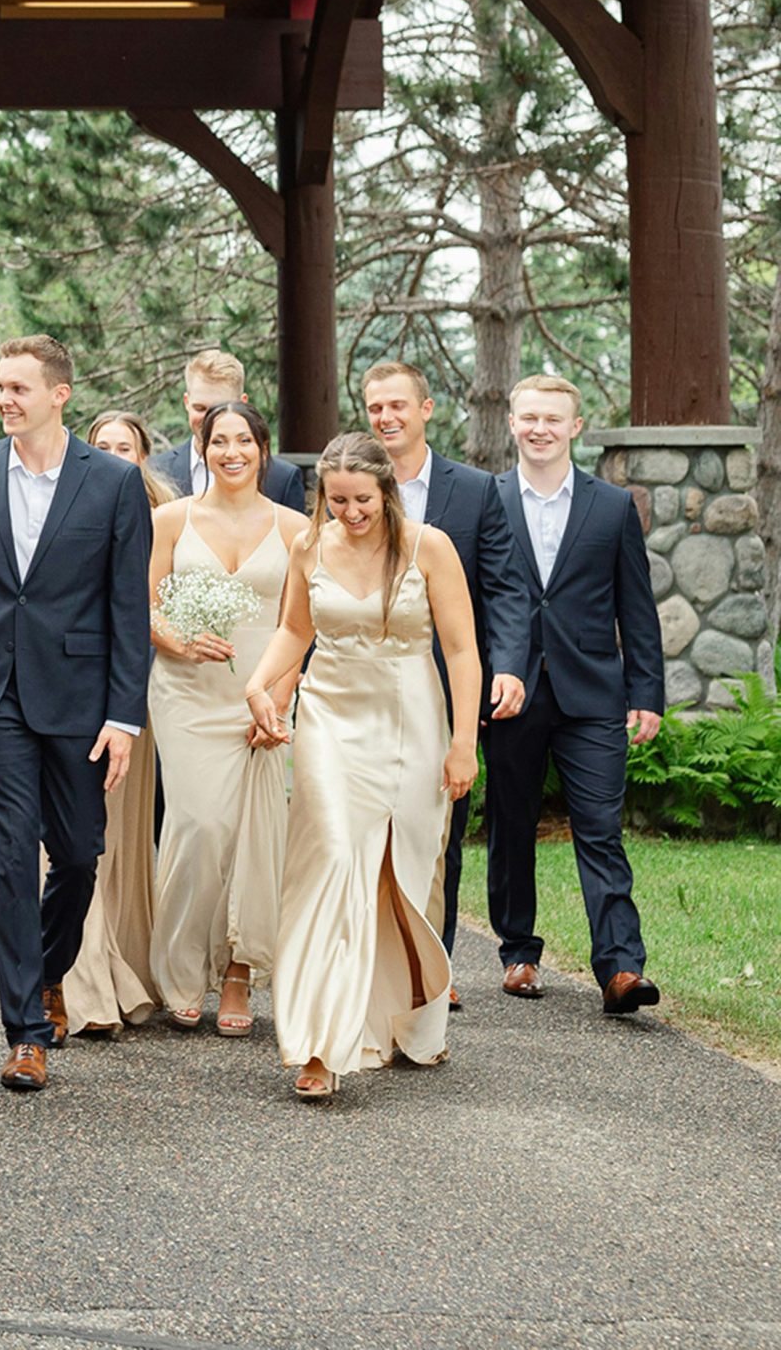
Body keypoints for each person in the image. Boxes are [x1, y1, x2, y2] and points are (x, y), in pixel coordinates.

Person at [247, 433, 478, 1101]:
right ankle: (322, 1042)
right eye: (336, 499)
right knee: (336, 859)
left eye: (361, 500)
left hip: (410, 715)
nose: (349, 512)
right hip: (328, 717)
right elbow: (294, 632)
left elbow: (461, 651)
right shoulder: (308, 545)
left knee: (402, 869)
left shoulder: (428, 546)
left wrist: (464, 740)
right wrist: (259, 684)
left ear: (386, 491)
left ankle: (406, 1016)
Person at [0, 334, 151, 1092]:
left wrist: (124, 715)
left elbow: (129, 605)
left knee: (76, 855)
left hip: (79, 698)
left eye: (19, 388)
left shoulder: (113, 483)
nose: (4, 399)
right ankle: (25, 1031)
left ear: (59, 393)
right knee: (5, 859)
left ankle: (46, 969)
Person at [482, 375, 666, 1017]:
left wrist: (647, 691)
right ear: (511, 422)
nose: (540, 429)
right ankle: (518, 953)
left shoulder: (612, 506)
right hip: (511, 689)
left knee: (599, 828)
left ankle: (620, 968)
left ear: (575, 427)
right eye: (529, 416)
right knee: (511, 825)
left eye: (553, 419)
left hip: (593, 692)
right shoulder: (488, 498)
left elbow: (636, 605)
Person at [361, 361, 530, 1006]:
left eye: (398, 405)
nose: (387, 418)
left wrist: (507, 664)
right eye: (376, 407)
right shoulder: (353, 484)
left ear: (426, 409)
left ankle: (434, 972)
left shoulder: (476, 491)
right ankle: (374, 964)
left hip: (443, 687)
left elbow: (505, 589)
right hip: (364, 686)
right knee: (365, 829)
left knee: (439, 832)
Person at [146, 399, 304, 1037]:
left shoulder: (296, 528)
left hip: (260, 698)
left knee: (255, 839)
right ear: (203, 449)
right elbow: (138, 606)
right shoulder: (169, 521)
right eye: (220, 441)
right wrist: (177, 642)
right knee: (199, 826)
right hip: (186, 693)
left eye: (244, 440)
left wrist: (279, 696)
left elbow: (302, 626)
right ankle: (182, 969)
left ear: (262, 450)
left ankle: (238, 975)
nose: (232, 452)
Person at [56, 409, 171, 1036]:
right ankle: (85, 980)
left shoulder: (164, 518)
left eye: (124, 446)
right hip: (78, 692)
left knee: (128, 840)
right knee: (80, 840)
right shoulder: (70, 508)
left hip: (141, 697)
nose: (112, 455)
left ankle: (130, 961)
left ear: (143, 455)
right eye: (101, 445)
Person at [151, 349, 307, 509]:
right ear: (186, 402)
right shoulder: (156, 473)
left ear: (243, 404)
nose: (209, 420)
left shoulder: (281, 479)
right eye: (200, 408)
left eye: (220, 410)